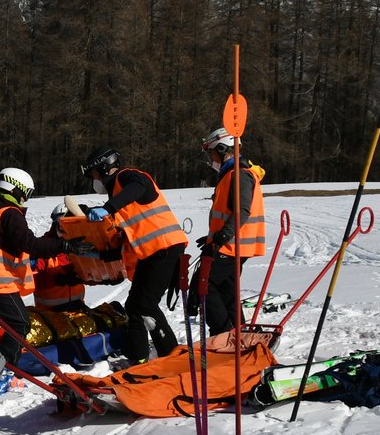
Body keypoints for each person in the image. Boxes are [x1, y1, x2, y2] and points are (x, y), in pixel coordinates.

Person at [0, 167, 74, 393]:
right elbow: (29, 244)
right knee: (19, 324)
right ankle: (5, 373)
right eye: (26, 194)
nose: (25, 199)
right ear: (17, 190)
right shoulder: (11, 214)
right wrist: (64, 246)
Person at [80, 147, 187, 363]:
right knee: (134, 307)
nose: (94, 182)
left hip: (164, 248)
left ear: (103, 169)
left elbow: (138, 187)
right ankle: (137, 358)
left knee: (145, 305)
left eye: (93, 176)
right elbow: (127, 242)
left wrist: (108, 208)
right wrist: (99, 254)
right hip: (152, 253)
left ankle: (171, 354)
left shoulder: (128, 177)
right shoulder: (118, 197)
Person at [198, 127, 267, 335]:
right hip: (229, 243)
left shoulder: (239, 175)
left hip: (232, 244)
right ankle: (238, 333)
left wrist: (224, 234)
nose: (211, 158)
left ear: (222, 149)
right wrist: (213, 236)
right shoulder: (230, 174)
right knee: (227, 290)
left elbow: (242, 210)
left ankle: (224, 333)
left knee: (205, 285)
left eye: (212, 152)